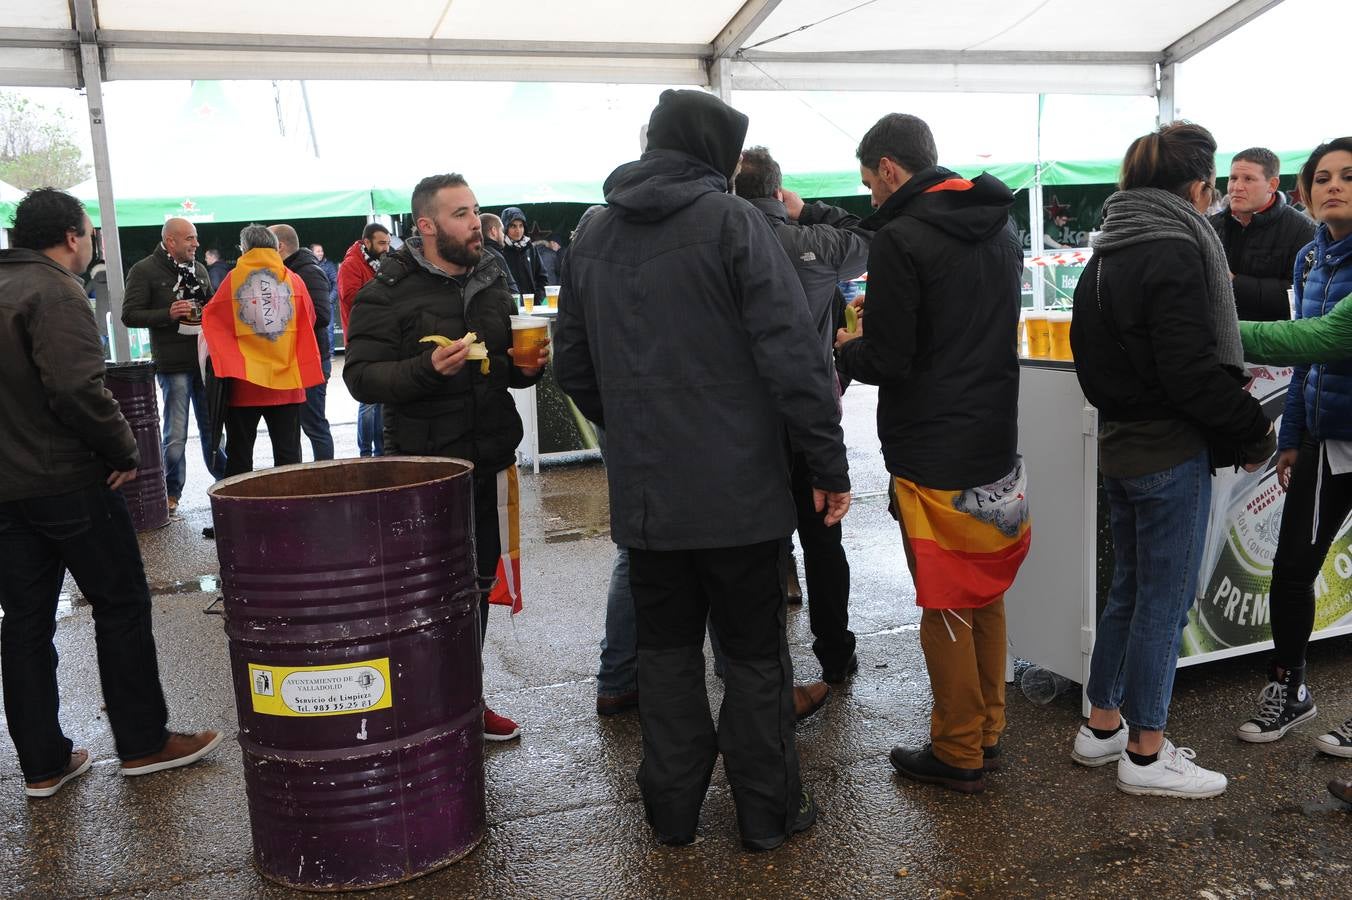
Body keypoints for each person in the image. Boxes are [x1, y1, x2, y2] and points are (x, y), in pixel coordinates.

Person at [555, 89, 850, 851]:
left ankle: (673, 814)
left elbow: (575, 369)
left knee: (666, 658)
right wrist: (824, 459)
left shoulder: (593, 230)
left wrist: (636, 425)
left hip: (649, 496)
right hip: (742, 493)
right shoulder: (734, 222)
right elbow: (794, 358)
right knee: (754, 659)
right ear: (718, 154)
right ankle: (767, 813)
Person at [1068, 122, 1274, 799]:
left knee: (1129, 591)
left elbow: (1095, 360)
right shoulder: (1177, 249)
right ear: (1197, 186)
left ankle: (1101, 727)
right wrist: (1251, 428)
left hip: (1123, 444)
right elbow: (1189, 371)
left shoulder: (1108, 250)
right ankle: (1147, 754)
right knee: (1164, 602)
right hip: (1168, 447)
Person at [0, 189, 221, 799]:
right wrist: (124, 449)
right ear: (72, 236)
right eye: (92, 233)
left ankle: (44, 762)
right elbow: (76, 387)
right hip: (70, 480)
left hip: (8, 490)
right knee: (120, 604)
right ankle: (143, 741)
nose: (93, 243)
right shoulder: (55, 291)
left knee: (23, 623)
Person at [834, 113, 1029, 796]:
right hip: (994, 437)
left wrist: (846, 349)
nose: (870, 200)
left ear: (890, 169)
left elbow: (889, 357)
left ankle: (956, 748)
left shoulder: (902, 239)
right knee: (987, 589)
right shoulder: (999, 226)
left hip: (931, 444)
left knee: (946, 595)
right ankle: (989, 728)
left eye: (869, 184)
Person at [343, 174, 549, 744]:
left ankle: (465, 698)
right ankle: (419, 707)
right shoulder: (387, 290)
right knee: (425, 595)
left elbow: (501, 364)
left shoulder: (492, 282)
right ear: (427, 225)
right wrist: (424, 370)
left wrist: (525, 370)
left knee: (478, 584)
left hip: (484, 459)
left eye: (476, 211)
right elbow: (360, 377)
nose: (475, 224)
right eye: (461, 214)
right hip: (423, 470)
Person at [1233, 138, 1352, 765]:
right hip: (1324, 441)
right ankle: (1289, 685)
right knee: (1291, 567)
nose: (1333, 185)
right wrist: (1295, 437)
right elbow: (1310, 361)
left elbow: (1327, 336)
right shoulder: (1310, 259)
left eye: (1348, 176)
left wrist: (1214, 328)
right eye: (1323, 176)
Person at [735, 145, 870, 687]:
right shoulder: (816, 241)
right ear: (777, 187)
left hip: (745, 419)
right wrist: (808, 210)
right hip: (812, 412)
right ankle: (835, 655)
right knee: (823, 539)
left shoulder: (724, 242)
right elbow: (873, 236)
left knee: (756, 546)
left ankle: (762, 669)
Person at [122, 216, 227, 511]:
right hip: (172, 364)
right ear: (171, 241)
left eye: (195, 238)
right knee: (176, 434)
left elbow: (210, 306)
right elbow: (129, 315)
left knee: (213, 428)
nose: (197, 243)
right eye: (190, 238)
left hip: (205, 361)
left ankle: (226, 483)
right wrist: (166, 314)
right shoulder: (144, 270)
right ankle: (170, 493)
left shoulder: (200, 269)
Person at [201, 224, 323, 476]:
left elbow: (212, 320)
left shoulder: (232, 280)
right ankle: (290, 508)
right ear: (273, 246)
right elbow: (309, 319)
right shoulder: (294, 279)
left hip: (244, 383)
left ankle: (241, 510)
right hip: (287, 381)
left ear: (244, 248)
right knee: (288, 457)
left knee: (240, 455)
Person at [1210, 147, 1316, 321]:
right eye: (1233, 178)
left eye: (1248, 179)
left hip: (1271, 341)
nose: (1237, 187)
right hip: (1218, 333)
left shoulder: (1303, 230)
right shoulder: (1212, 225)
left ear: (1272, 185)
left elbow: (1301, 293)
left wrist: (1234, 283)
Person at [271, 224, 335, 462]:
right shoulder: (287, 270)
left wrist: (282, 317)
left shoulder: (307, 271)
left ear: (280, 246)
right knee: (293, 427)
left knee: (314, 425)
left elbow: (322, 314)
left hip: (311, 361)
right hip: (295, 361)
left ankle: (327, 478)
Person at [338, 223, 392, 458]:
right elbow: (350, 297)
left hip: (383, 337)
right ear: (366, 242)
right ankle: (365, 453)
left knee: (381, 399)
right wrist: (382, 290)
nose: (386, 248)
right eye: (381, 243)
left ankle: (380, 451)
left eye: (388, 243)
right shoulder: (351, 264)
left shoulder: (384, 263)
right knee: (368, 400)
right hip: (361, 339)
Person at [499, 207, 548, 302]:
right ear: (505, 227)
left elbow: (542, 277)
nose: (518, 230)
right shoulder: (501, 250)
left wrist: (537, 299)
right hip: (510, 307)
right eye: (513, 226)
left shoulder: (530, 248)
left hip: (531, 307)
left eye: (521, 226)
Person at [479, 213, 521, 295]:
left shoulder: (474, 255)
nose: (504, 235)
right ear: (493, 231)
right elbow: (513, 293)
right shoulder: (496, 257)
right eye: (502, 230)